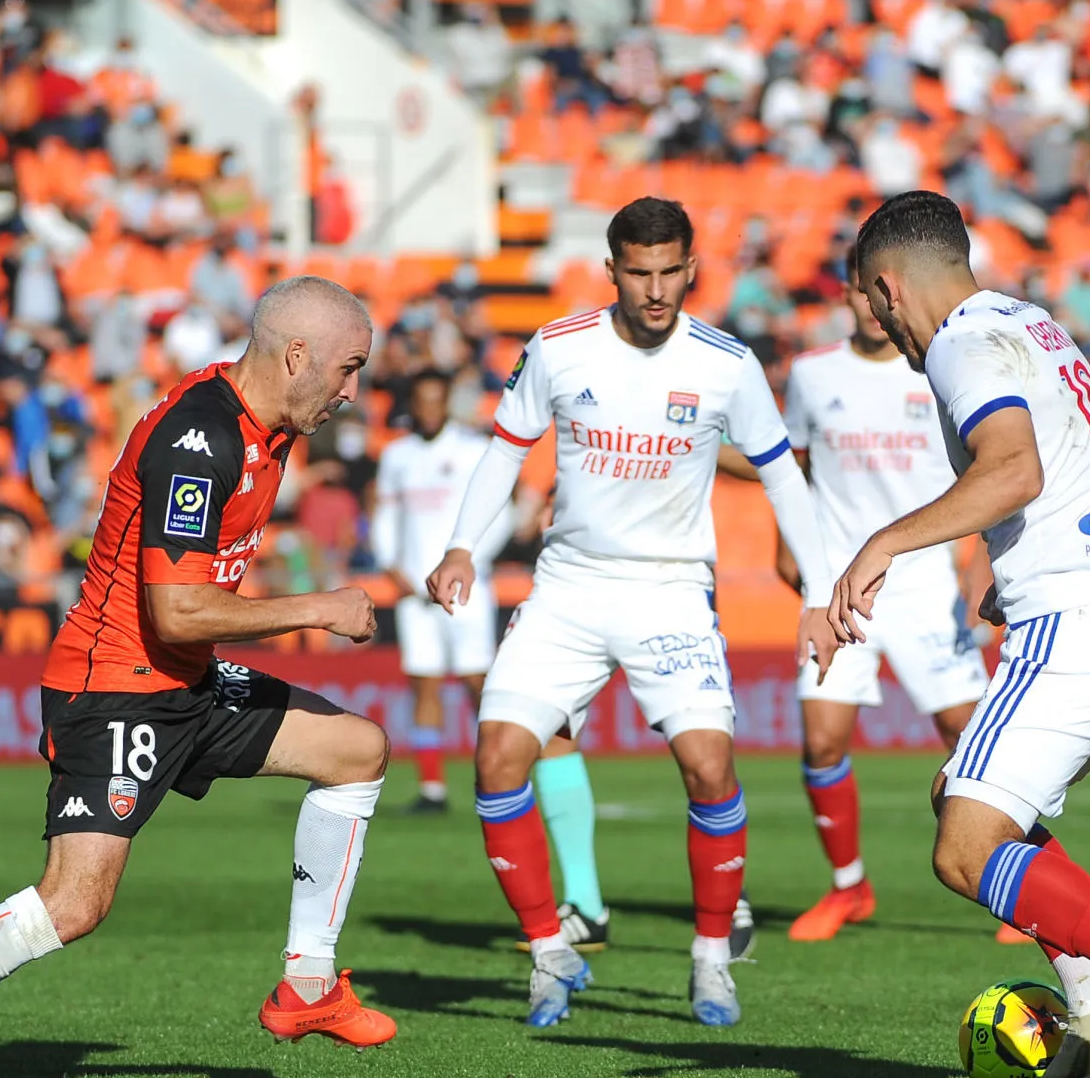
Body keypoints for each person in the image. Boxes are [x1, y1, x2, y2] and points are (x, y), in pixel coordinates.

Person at [0, 277, 396, 1078]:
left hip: (182, 679)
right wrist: (319, 608)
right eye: (346, 369)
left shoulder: (267, 425)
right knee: (72, 904)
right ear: (295, 355)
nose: (351, 391)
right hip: (114, 688)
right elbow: (176, 608)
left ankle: (306, 982)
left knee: (356, 749)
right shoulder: (199, 441)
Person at [830, 190, 1090, 1078]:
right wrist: (1016, 559)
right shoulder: (1033, 324)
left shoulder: (961, 346)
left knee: (965, 847)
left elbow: (1015, 468)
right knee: (964, 800)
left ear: (888, 288)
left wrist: (883, 543)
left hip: (1079, 625)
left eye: (872, 303)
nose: (879, 324)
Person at [425, 198, 835, 1029]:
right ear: (612, 270)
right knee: (498, 756)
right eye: (638, 273)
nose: (655, 291)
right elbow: (505, 451)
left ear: (692, 270)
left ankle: (712, 960)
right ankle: (550, 953)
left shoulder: (726, 362)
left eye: (669, 273)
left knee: (710, 767)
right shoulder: (558, 346)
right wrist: (463, 545)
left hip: (670, 589)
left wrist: (821, 594)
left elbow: (784, 475)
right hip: (569, 586)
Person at [774, 250, 990, 942]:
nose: (870, 307)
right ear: (846, 295)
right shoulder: (811, 375)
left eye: (879, 295)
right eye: (858, 294)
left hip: (926, 582)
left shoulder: (938, 366)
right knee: (821, 740)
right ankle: (848, 887)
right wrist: (794, 546)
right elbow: (794, 467)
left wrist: (981, 562)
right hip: (842, 583)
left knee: (975, 736)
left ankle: (1013, 875)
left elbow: (984, 467)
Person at [370, 370, 513, 812]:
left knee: (476, 681)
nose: (429, 409)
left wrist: (471, 562)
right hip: (416, 593)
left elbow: (498, 514)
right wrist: (391, 564)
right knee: (424, 684)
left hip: (465, 588)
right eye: (422, 400)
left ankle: (497, 775)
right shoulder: (397, 456)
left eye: (437, 400)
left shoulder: (473, 451)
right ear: (412, 404)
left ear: (448, 402)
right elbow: (386, 516)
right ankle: (433, 788)